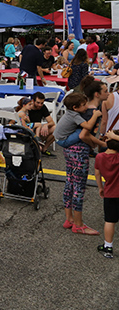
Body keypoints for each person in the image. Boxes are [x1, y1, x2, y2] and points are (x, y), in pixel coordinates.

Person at [55, 92, 102, 235]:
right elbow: (84, 132)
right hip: (75, 151)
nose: (87, 107)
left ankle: (69, 219)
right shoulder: (79, 114)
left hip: (66, 149)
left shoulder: (70, 113)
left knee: (69, 182)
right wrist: (96, 115)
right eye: (84, 105)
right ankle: (79, 224)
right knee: (79, 187)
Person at [95, 135, 119, 258]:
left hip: (110, 193)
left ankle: (108, 246)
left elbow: (97, 174)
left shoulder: (99, 157)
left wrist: (100, 188)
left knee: (109, 220)